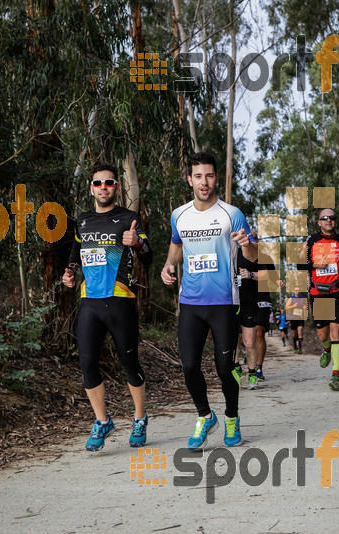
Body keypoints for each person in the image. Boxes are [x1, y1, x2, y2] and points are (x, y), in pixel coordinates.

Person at [161, 152, 257, 450]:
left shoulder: (232, 213)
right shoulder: (179, 214)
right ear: (189, 179)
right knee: (189, 366)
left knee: (225, 367)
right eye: (199, 176)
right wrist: (168, 265)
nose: (205, 182)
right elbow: (176, 246)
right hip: (190, 302)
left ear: (216, 178)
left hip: (224, 302)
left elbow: (252, 256)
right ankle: (205, 416)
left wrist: (248, 245)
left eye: (210, 176)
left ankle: (231, 417)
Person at [62, 163, 152, 450]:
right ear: (91, 188)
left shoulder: (128, 218)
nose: (103, 188)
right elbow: (76, 251)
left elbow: (148, 257)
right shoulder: (83, 220)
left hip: (120, 300)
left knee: (129, 363)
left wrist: (137, 243)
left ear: (117, 187)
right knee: (87, 362)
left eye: (109, 183)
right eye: (98, 183)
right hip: (89, 301)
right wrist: (70, 270)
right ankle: (103, 421)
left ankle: (139, 418)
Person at [297, 208, 339, 391]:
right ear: (319, 222)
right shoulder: (312, 240)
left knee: (337, 331)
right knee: (323, 335)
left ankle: (336, 376)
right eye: (325, 218)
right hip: (319, 292)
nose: (329, 220)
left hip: (338, 290)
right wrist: (315, 264)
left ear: (335, 222)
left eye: (332, 218)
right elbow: (299, 263)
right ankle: (326, 349)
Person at [234, 241, 280, 387]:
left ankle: (257, 368)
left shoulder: (264, 257)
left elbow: (271, 276)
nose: (249, 242)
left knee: (258, 333)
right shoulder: (234, 255)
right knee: (242, 338)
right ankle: (240, 362)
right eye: (247, 240)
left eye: (253, 240)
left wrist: (277, 281)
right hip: (239, 298)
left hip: (261, 298)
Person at [285, 286, 306, 353]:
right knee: (294, 335)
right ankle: (295, 347)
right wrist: (293, 306)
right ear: (294, 291)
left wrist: (305, 307)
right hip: (293, 318)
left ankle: (300, 348)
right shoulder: (291, 298)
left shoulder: (303, 298)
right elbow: (286, 307)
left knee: (300, 333)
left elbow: (306, 306)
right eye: (296, 291)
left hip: (300, 318)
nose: (298, 292)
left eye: (299, 290)